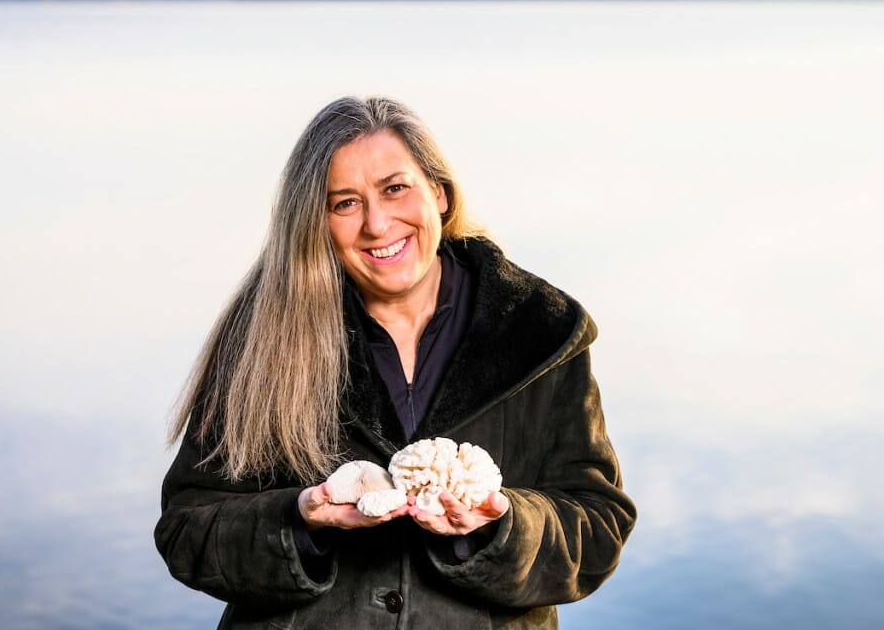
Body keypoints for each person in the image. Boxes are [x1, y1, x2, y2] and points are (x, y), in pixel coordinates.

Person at [155, 96, 636, 629]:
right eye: (345, 203)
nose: (378, 225)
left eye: (395, 188)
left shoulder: (542, 332)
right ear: (315, 222)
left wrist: (500, 526)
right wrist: (300, 522)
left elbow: (597, 529)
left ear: (440, 194)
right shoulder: (262, 339)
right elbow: (187, 530)